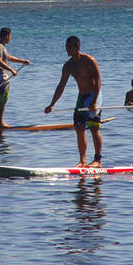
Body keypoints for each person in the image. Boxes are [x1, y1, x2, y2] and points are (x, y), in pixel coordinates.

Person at [44, 36, 103, 167]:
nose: (67, 50)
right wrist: (52, 104)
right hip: (81, 98)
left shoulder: (89, 61)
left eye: (69, 47)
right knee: (79, 128)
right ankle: (82, 161)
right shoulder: (68, 66)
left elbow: (99, 82)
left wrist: (94, 102)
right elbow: (61, 86)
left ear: (77, 46)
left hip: (94, 96)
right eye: (66, 47)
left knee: (93, 128)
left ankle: (98, 160)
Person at [0, 27, 30, 129]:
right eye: (10, 36)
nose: (10, 38)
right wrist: (12, 69)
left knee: (2, 99)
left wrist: (22, 61)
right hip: (0, 76)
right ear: (6, 36)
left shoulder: (2, 47)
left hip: (1, 76)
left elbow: (8, 57)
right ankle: (0, 122)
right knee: (2, 99)